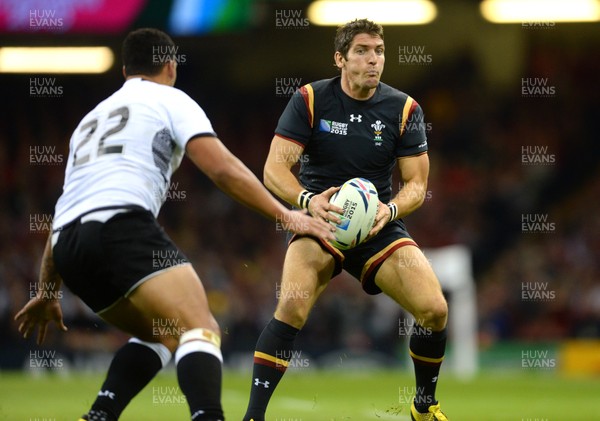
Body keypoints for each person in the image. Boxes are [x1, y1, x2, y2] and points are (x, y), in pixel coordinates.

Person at [14, 28, 334, 421]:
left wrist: (48, 292)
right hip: (121, 225)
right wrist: (287, 215)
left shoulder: (89, 122)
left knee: (163, 332)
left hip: (67, 246)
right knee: (200, 328)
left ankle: (100, 414)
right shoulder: (170, 99)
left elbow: (68, 206)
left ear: (126, 70)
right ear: (170, 66)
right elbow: (221, 168)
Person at [243, 19, 449, 421]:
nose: (373, 60)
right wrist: (307, 201)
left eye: (379, 51)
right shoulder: (310, 100)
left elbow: (416, 184)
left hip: (377, 226)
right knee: (292, 306)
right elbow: (274, 170)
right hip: (321, 219)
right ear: (340, 58)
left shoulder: (404, 109)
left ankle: (424, 408)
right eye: (362, 51)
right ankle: (253, 416)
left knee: (434, 309)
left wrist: (390, 210)